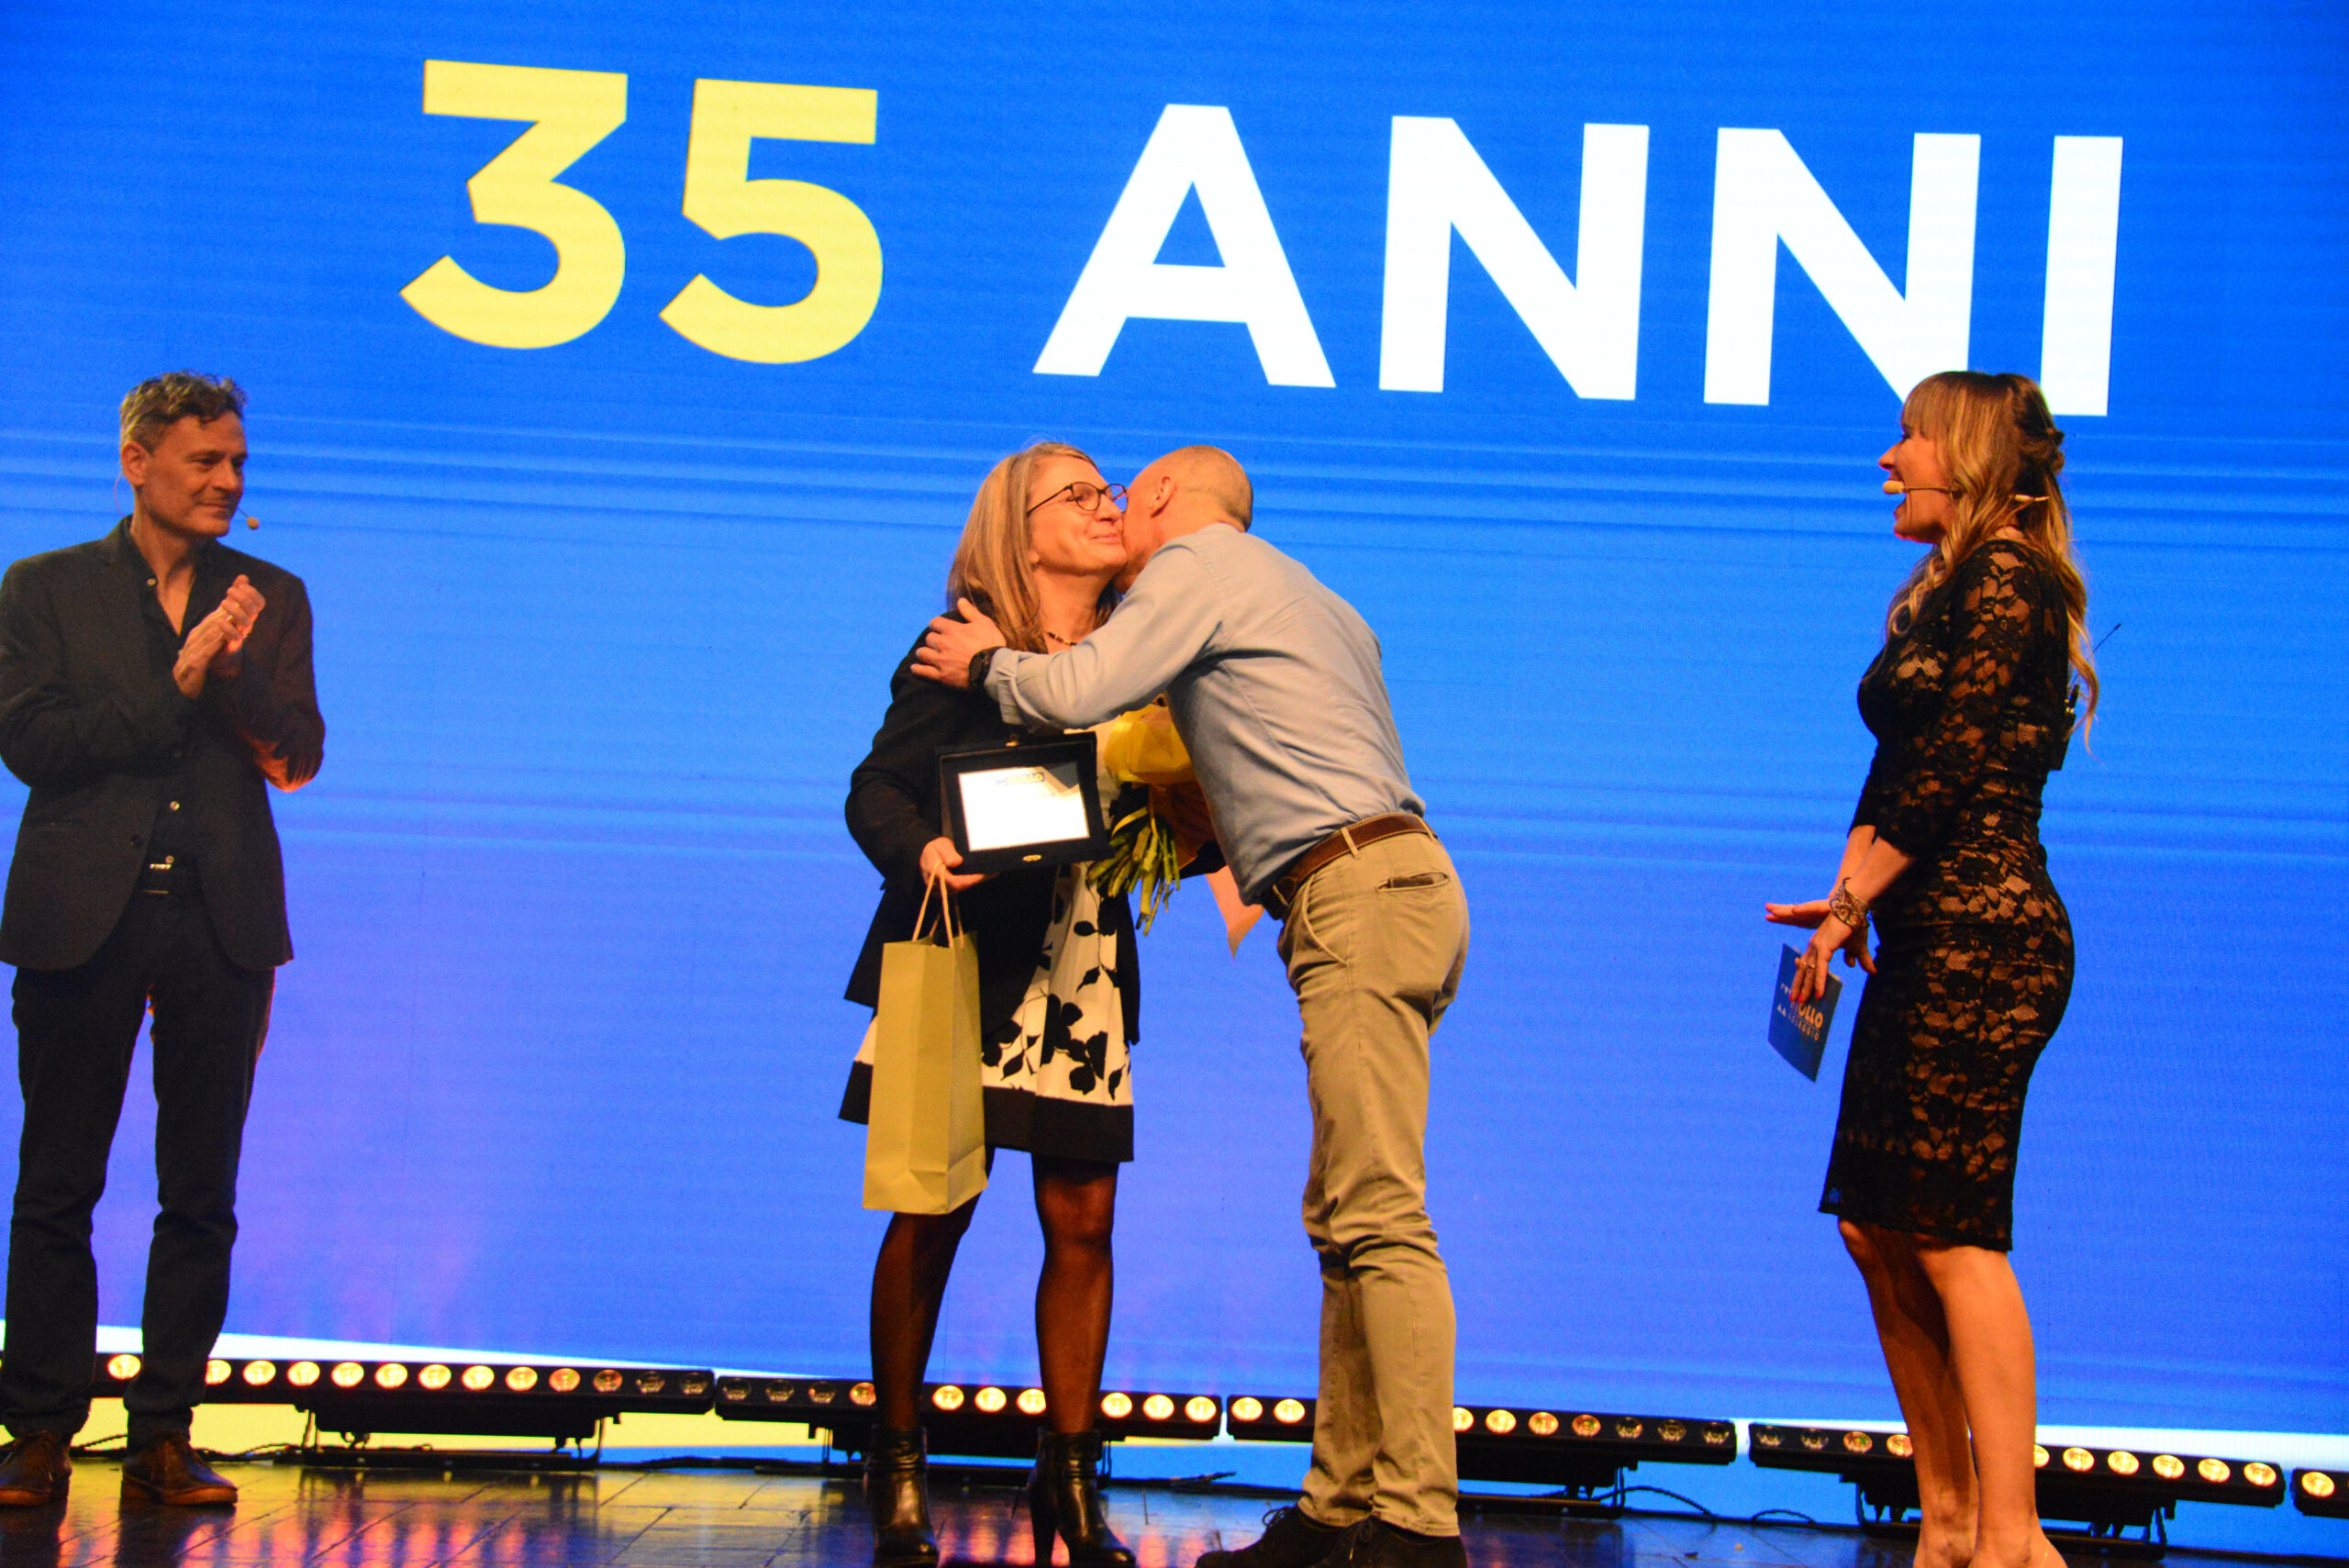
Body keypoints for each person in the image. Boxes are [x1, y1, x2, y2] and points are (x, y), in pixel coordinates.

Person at [915, 447, 1471, 1568]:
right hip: (1387, 889)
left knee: (1378, 1217)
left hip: (1355, 894)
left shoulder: (1199, 565)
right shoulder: (1317, 598)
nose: (1118, 506)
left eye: (1128, 491)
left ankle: (1415, 1523)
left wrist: (987, 661)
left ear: (1166, 501)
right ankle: (1337, 1503)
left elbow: (1076, 689)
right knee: (1340, 1218)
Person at [1767, 371, 2094, 1568]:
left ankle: (2014, 1535)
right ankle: (1946, 1515)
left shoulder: (2006, 578)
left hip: (1986, 939)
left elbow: (1948, 771)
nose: (1889, 459)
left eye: (1909, 436)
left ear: (1963, 450)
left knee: (1955, 1233)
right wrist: (1842, 907)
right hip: (1923, 928)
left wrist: (1862, 890)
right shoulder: (1941, 589)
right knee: (1875, 1227)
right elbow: (1896, 770)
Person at [0, 373, 324, 1508]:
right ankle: (36, 1429)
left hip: (220, 919)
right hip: (81, 913)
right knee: (57, 1184)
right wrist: (173, 682)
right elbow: (35, 745)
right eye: (204, 461)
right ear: (138, 460)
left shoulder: (269, 594)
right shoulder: (42, 589)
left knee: (201, 1188)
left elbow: (298, 755)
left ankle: (165, 1434)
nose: (228, 483)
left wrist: (227, 675)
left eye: (238, 462)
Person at [840, 442, 1143, 1568]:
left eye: (1109, 491)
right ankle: (899, 1457)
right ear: (1019, 531)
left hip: (1082, 961)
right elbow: (872, 784)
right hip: (961, 948)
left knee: (1083, 1219)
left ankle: (1066, 1479)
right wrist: (917, 845)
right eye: (1079, 495)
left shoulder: (1139, 647)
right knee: (933, 1206)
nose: (1106, 506)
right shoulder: (957, 641)